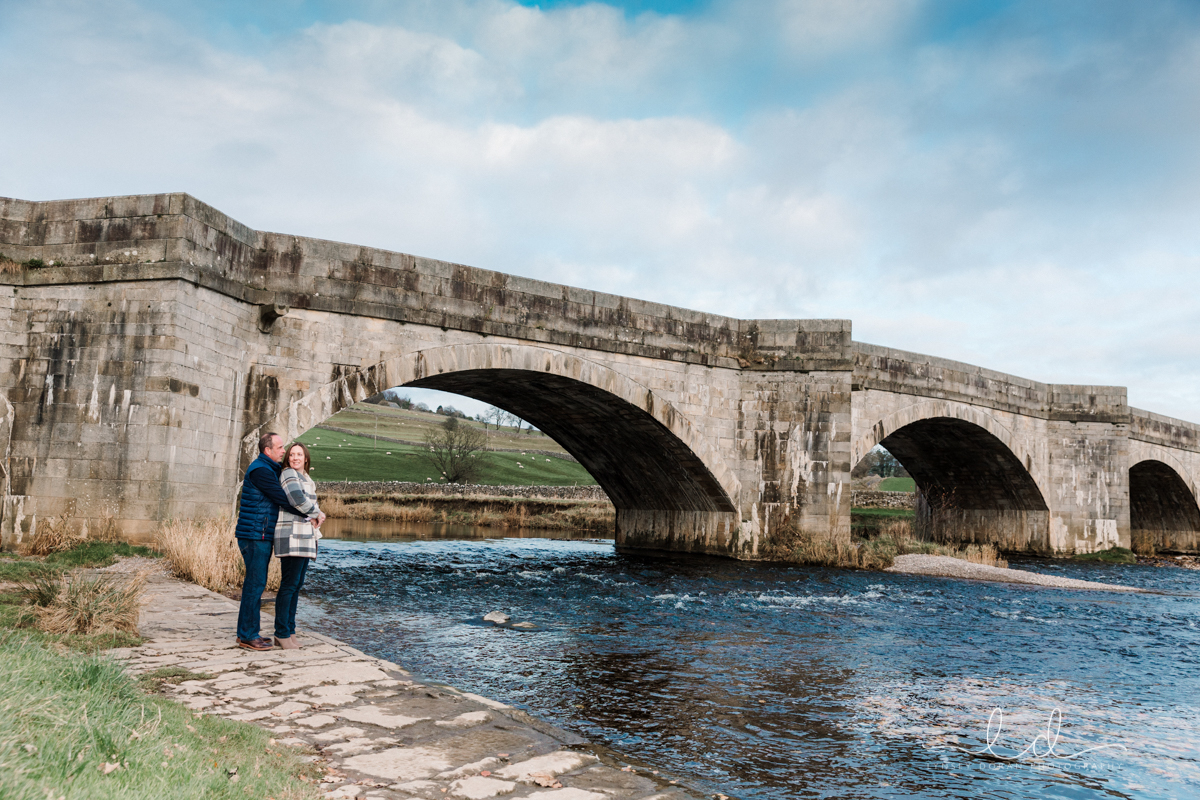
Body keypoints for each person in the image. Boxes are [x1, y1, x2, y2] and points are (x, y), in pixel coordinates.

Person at [234, 432, 310, 651]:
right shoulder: (260, 471)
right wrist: (310, 514)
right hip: (255, 534)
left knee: (256, 583)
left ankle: (248, 633)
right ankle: (248, 635)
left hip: (261, 534)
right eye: (280, 448)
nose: (283, 451)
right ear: (268, 450)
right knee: (255, 585)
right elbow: (282, 499)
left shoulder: (270, 469)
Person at [273, 442, 324, 649]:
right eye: (292, 454)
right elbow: (296, 499)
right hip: (292, 535)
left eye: (299, 454)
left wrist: (317, 514)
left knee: (296, 586)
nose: (295, 458)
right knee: (288, 585)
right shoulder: (288, 474)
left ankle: (290, 631)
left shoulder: (307, 479)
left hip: (304, 536)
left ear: (306, 458)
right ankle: (281, 633)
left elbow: (309, 504)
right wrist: (317, 514)